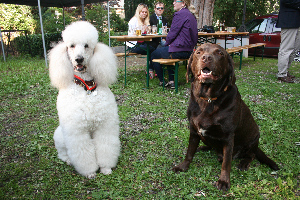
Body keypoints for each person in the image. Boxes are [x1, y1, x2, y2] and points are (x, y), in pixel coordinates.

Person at [150, 0, 198, 89]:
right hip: (189, 51)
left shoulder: (179, 14)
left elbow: (172, 34)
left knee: (154, 54)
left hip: (179, 50)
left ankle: (162, 81)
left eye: (176, 1)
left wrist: (167, 43)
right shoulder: (191, 15)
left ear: (183, 3)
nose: (173, 3)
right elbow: (195, 36)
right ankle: (171, 81)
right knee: (167, 51)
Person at [276, 0, 300, 83]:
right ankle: (281, 74)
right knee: (286, 49)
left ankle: (285, 71)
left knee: (295, 49)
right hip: (289, 20)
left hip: (297, 21)